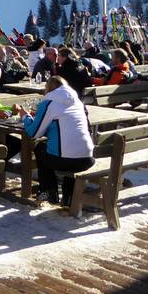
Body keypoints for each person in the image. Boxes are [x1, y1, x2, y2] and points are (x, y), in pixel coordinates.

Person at [18, 76, 95, 206]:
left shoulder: (49, 103)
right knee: (69, 149)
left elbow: (34, 133)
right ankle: (68, 195)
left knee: (40, 148)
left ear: (48, 89)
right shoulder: (78, 103)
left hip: (64, 161)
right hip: (87, 159)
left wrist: (25, 116)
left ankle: (48, 191)